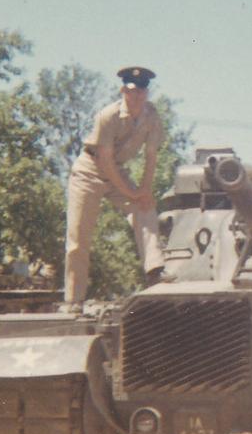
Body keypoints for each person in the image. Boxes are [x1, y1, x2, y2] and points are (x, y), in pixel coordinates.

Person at [63, 64, 173, 310]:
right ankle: (73, 300)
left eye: (143, 91)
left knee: (145, 210)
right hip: (89, 171)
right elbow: (104, 159)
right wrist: (131, 192)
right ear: (124, 90)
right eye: (133, 90)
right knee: (79, 238)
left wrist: (144, 191)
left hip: (118, 171)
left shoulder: (152, 116)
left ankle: (155, 270)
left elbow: (151, 156)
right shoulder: (108, 115)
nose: (138, 96)